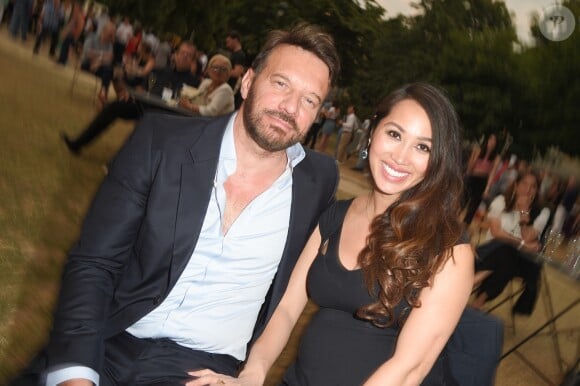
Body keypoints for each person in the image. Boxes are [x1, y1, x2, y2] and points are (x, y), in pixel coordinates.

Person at [12, 22, 340, 386]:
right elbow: (94, 263)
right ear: (247, 82)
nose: (290, 107)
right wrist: (77, 374)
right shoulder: (161, 143)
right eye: (281, 84)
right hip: (108, 338)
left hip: (202, 370)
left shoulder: (318, 180)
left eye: (310, 100)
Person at [188, 82, 474, 386]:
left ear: (438, 161)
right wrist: (252, 373)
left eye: (422, 147)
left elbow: (408, 369)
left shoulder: (449, 250)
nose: (400, 157)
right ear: (373, 133)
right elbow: (286, 310)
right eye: (394, 134)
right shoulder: (336, 215)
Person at [61, 41, 201, 155]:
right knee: (114, 107)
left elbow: (188, 106)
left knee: (146, 128)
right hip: (142, 107)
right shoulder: (160, 71)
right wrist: (132, 92)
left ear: (193, 61)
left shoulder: (194, 83)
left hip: (165, 118)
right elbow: (144, 86)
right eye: (182, 53)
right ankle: (78, 143)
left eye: (189, 55)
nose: (184, 57)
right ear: (175, 55)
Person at [472, 171, 550, 315]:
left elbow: (528, 238)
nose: (527, 189)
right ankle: (478, 302)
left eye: (533, 186)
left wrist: (523, 213)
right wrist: (522, 244)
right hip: (491, 251)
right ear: (516, 185)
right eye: (524, 184)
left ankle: (471, 283)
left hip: (519, 262)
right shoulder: (501, 201)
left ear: (537, 190)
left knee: (507, 253)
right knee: (506, 254)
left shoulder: (542, 212)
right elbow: (496, 232)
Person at [462, 133, 501, 225]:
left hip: (483, 180)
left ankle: (465, 224)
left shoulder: (496, 157)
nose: (492, 142)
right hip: (472, 177)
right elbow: (470, 166)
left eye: (494, 141)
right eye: (490, 140)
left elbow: (492, 173)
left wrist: (487, 188)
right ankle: (453, 221)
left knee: (474, 204)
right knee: (463, 200)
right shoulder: (478, 150)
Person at [225, 30, 247, 109]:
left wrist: (223, 71)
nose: (227, 45)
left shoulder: (239, 55)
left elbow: (237, 73)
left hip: (232, 88)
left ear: (235, 40)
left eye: (228, 42)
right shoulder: (235, 54)